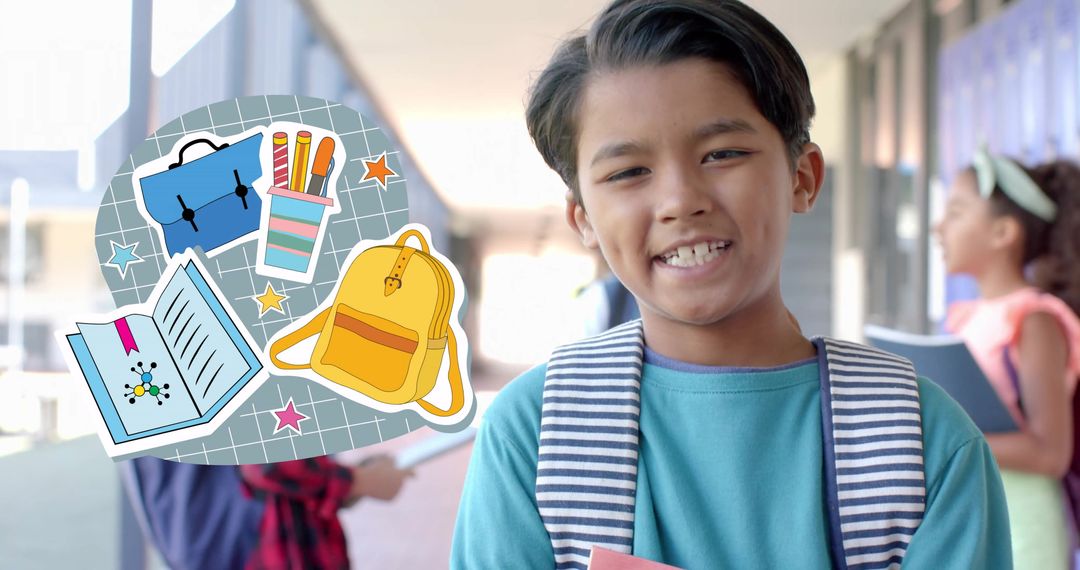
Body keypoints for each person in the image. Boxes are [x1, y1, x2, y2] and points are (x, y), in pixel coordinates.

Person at [451, 1, 1011, 568]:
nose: (680, 201)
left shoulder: (918, 441)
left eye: (722, 154)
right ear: (585, 220)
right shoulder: (540, 434)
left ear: (802, 177)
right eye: (627, 172)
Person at [935, 151, 1080, 570]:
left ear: (1003, 233)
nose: (939, 227)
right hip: (972, 509)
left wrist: (947, 442)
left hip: (1024, 523)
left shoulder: (1034, 320)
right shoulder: (966, 318)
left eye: (956, 213)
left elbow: (1051, 452)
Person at [123, 454, 413, 570]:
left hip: (205, 552)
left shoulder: (121, 368)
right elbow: (267, 465)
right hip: (268, 548)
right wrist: (364, 481)